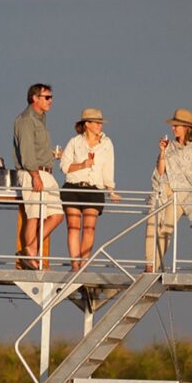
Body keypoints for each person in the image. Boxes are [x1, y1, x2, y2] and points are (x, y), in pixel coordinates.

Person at [145, 108, 192, 271]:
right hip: (163, 189)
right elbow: (160, 171)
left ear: (186, 127)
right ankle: (149, 264)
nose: (173, 128)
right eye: (173, 125)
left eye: (176, 125)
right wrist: (163, 152)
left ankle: (154, 265)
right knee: (152, 224)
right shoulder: (169, 146)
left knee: (167, 228)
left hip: (182, 193)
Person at [13, 83, 64, 270]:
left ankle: (30, 249)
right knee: (33, 216)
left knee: (57, 214)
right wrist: (35, 175)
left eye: (51, 97)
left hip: (46, 171)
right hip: (33, 172)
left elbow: (35, 148)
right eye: (47, 97)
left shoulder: (41, 119)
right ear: (35, 98)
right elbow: (26, 151)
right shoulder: (26, 119)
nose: (51, 100)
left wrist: (51, 155)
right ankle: (30, 255)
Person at [60, 108, 118, 270]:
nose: (100, 125)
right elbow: (64, 167)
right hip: (73, 186)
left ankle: (83, 264)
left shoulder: (106, 143)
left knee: (89, 227)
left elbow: (108, 168)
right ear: (87, 124)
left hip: (94, 189)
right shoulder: (74, 142)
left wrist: (111, 190)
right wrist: (82, 165)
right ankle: (75, 265)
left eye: (100, 123)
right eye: (96, 123)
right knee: (73, 227)